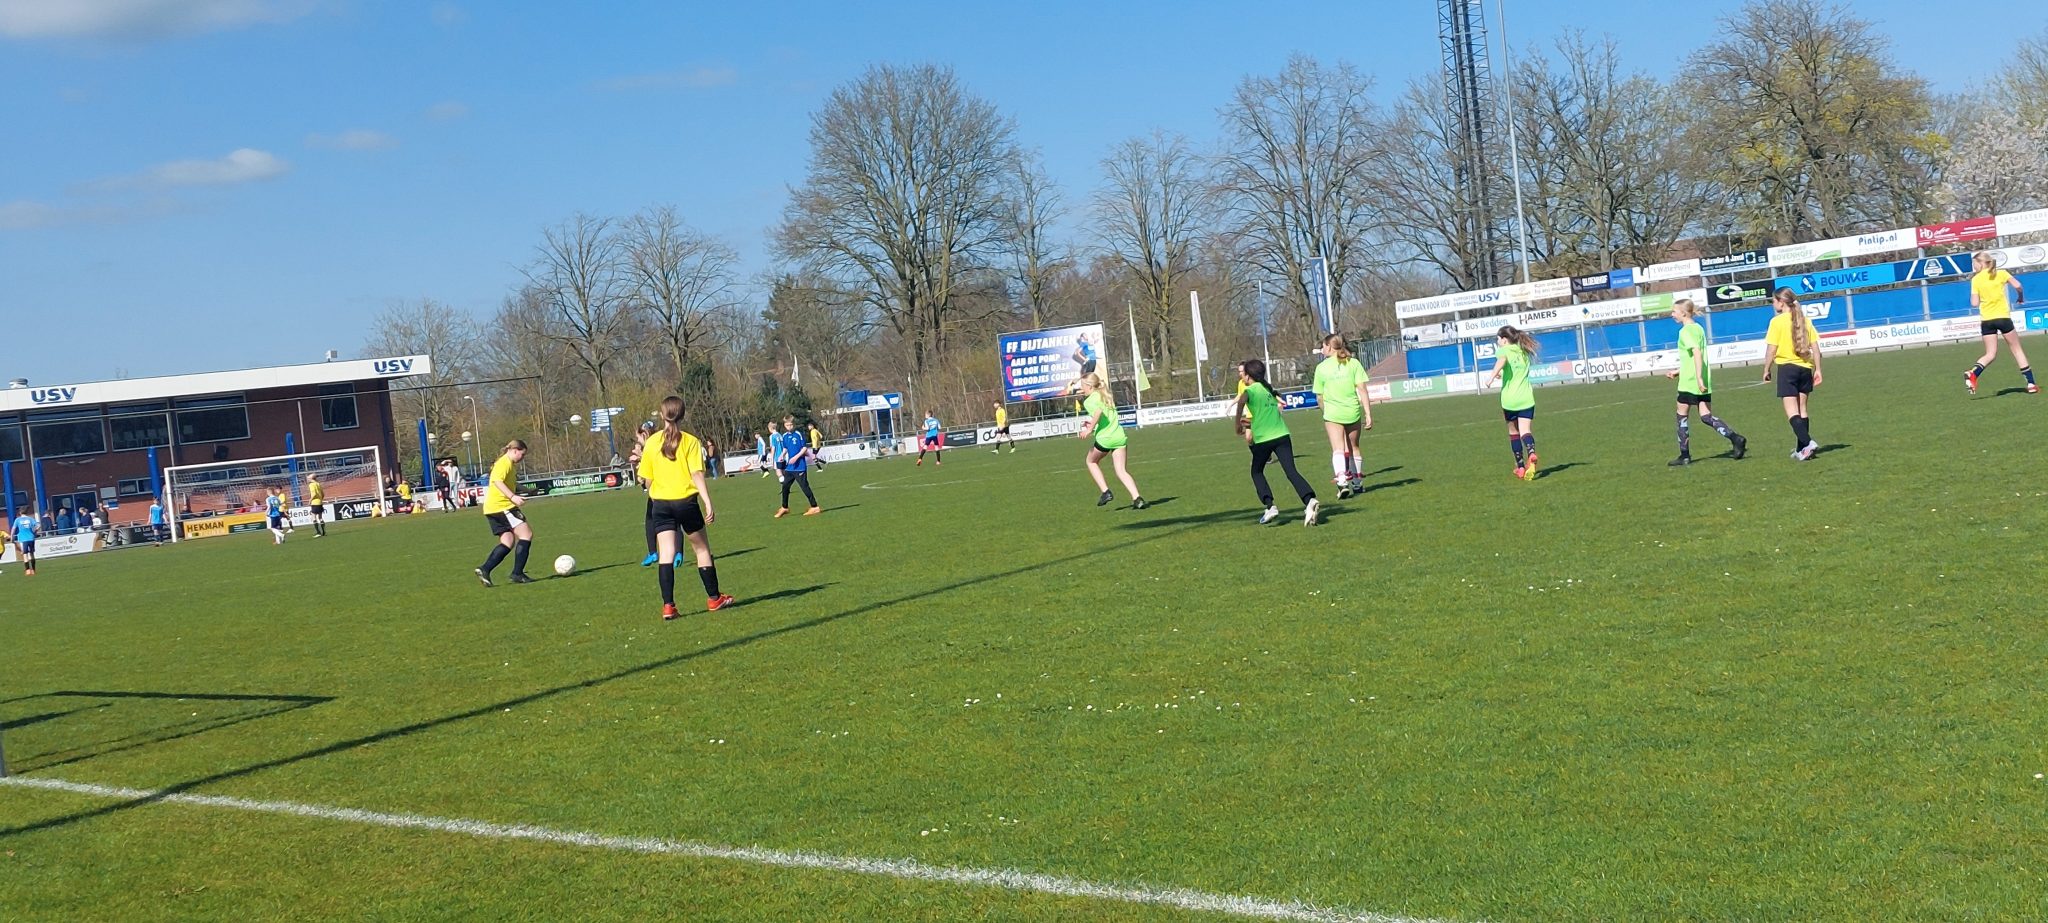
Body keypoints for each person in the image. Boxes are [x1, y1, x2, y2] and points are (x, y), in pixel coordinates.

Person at [639, 396, 733, 617]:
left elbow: (646, 479)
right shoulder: (690, 441)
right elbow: (697, 474)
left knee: (666, 554)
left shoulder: (652, 442)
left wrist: (654, 497)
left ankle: (668, 606)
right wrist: (708, 501)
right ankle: (714, 599)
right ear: (683, 415)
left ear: (662, 415)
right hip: (686, 503)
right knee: (701, 549)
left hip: (660, 504)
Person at [1234, 359, 1320, 526]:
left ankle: (1270, 506)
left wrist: (1237, 423)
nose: (1242, 376)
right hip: (1282, 435)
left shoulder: (1250, 390)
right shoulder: (1268, 390)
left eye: (1243, 373)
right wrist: (1246, 424)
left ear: (1248, 375)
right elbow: (1263, 417)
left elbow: (1241, 402)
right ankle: (1309, 500)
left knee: (1256, 472)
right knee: (1291, 471)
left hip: (1264, 440)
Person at [1664, 299, 1748, 466]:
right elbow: (1694, 357)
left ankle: (1684, 455)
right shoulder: (1698, 328)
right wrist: (1678, 371)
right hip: (1701, 379)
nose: (1672, 314)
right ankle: (1735, 438)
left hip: (1690, 382)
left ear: (1683, 313)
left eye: (1674, 311)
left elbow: (1697, 353)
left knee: (1681, 416)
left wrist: (1697, 378)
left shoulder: (1685, 331)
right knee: (1706, 416)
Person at [1762, 288, 1823, 461]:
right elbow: (1816, 350)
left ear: (1781, 302)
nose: (1773, 305)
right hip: (1805, 369)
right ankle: (1802, 449)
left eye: (1774, 301)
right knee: (1802, 410)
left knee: (1792, 412)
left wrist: (1766, 369)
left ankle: (1808, 442)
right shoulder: (1805, 320)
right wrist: (1818, 369)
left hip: (1787, 369)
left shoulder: (1777, 322)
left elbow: (1771, 350)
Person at [1311, 333, 1374, 497]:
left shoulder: (1322, 368)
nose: (1322, 349)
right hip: (1352, 411)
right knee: (1354, 447)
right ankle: (1357, 483)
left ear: (1330, 347)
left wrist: (1326, 412)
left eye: (1323, 346)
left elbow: (1319, 396)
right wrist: (1368, 414)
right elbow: (1362, 389)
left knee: (1338, 448)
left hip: (1333, 413)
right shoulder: (1353, 363)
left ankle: (1342, 481)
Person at [1965, 252, 2034, 394]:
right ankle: (2031, 384)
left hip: (1987, 321)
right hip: (2003, 318)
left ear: (1981, 263)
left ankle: (1974, 373)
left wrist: (1979, 296)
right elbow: (2018, 286)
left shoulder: (1976, 280)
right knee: (2017, 350)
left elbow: (1974, 303)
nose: (1974, 267)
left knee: (1990, 354)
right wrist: (2020, 297)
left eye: (1974, 264)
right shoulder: (2001, 273)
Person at [1075, 374, 1146, 509]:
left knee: (1091, 461)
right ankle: (1137, 498)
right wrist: (1091, 423)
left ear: (1089, 386)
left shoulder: (1089, 401)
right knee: (1121, 471)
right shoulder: (1105, 395)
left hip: (1105, 439)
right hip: (1119, 436)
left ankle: (1105, 491)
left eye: (1082, 386)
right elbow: (1103, 413)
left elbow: (1098, 412)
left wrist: (1089, 429)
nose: (1081, 388)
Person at [475, 439, 535, 586]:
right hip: (503, 507)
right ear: (515, 450)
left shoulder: (508, 464)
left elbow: (511, 484)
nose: (522, 458)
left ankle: (485, 569)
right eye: (522, 454)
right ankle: (517, 573)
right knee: (526, 535)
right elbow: (497, 481)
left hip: (492, 509)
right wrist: (512, 496)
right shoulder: (504, 463)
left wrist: (527, 491)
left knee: (507, 542)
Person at [1486, 325, 1541, 481]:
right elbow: (1514, 370)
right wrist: (1501, 374)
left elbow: (1502, 361)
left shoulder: (1504, 351)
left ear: (1504, 339)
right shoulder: (1523, 351)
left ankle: (1521, 467)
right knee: (1525, 431)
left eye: (1498, 339)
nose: (1497, 342)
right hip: (1526, 398)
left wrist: (1491, 376)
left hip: (1510, 400)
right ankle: (1531, 452)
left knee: (1513, 433)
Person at [629, 420, 661, 567]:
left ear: (645, 434)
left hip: (658, 489)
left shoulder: (651, 445)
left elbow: (654, 462)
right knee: (673, 521)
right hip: (665, 487)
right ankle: (676, 553)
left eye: (638, 437)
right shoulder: (662, 440)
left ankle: (654, 552)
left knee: (651, 521)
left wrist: (640, 457)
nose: (638, 440)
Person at [775, 415, 822, 518]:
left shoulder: (798, 434)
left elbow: (804, 448)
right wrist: (782, 455)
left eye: (791, 425)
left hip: (799, 466)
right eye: (787, 425)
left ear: (794, 424)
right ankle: (784, 507)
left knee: (804, 487)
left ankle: (814, 507)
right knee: (785, 486)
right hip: (790, 467)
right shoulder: (785, 436)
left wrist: (796, 457)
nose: (789, 427)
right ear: (784, 425)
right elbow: (786, 448)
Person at [12, 507, 37, 576]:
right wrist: (34, 532)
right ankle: (34, 570)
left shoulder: (17, 520)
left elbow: (13, 529)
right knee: (32, 554)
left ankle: (28, 570)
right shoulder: (31, 519)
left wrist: (12, 538)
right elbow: (38, 526)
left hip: (23, 539)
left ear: (20, 512)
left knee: (25, 554)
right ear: (27, 512)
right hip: (31, 538)